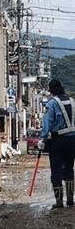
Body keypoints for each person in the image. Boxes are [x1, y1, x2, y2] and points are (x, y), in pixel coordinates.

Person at [39, 79, 75, 209]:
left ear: (51, 90)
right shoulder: (72, 101)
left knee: (56, 171)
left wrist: (42, 139)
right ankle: (70, 199)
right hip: (72, 141)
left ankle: (59, 201)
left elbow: (47, 123)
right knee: (69, 169)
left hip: (58, 140)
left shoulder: (52, 103)